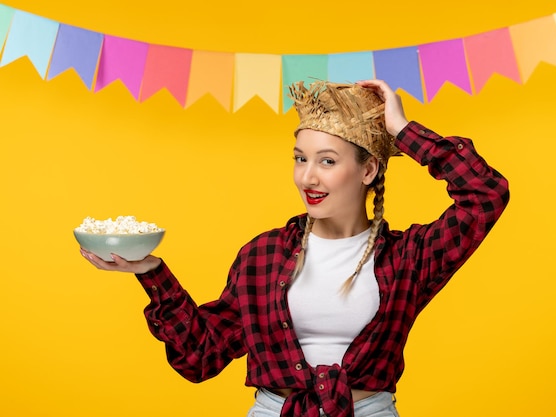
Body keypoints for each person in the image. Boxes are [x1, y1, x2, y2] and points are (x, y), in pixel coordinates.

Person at [80, 79, 510, 417]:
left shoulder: (409, 258)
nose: (307, 178)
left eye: (327, 161)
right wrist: (151, 272)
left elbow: (485, 194)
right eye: (300, 158)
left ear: (368, 170)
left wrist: (403, 130)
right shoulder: (262, 256)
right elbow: (200, 356)